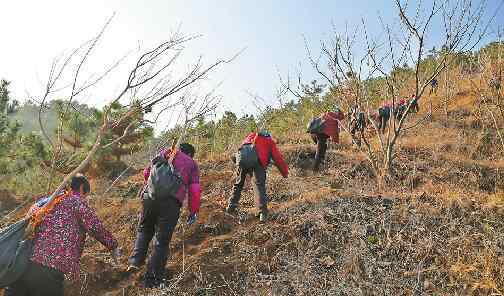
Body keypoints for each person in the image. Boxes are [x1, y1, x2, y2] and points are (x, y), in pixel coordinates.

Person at [4, 174, 120, 296]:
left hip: (21, 265)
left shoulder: (44, 202)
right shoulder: (77, 202)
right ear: (81, 188)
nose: (86, 198)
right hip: (48, 266)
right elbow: (95, 227)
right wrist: (113, 245)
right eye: (86, 195)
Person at [128, 143, 201, 288]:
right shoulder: (191, 164)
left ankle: (135, 262)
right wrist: (193, 211)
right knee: (162, 242)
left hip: (149, 198)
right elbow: (194, 190)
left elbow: (147, 172)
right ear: (191, 154)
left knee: (144, 229)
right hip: (171, 202)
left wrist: (152, 188)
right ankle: (152, 279)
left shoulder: (166, 152)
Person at [226, 130, 288, 222]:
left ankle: (230, 207)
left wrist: (240, 165)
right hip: (258, 162)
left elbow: (240, 151)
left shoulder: (250, 137)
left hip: (242, 160)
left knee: (238, 184)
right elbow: (278, 159)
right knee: (259, 185)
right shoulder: (269, 141)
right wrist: (285, 173)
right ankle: (262, 213)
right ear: (269, 136)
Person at [310, 107, 345, 171]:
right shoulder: (333, 115)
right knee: (320, 151)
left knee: (323, 148)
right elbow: (342, 117)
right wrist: (340, 110)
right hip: (322, 135)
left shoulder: (323, 114)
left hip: (314, 134)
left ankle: (320, 165)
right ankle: (315, 169)